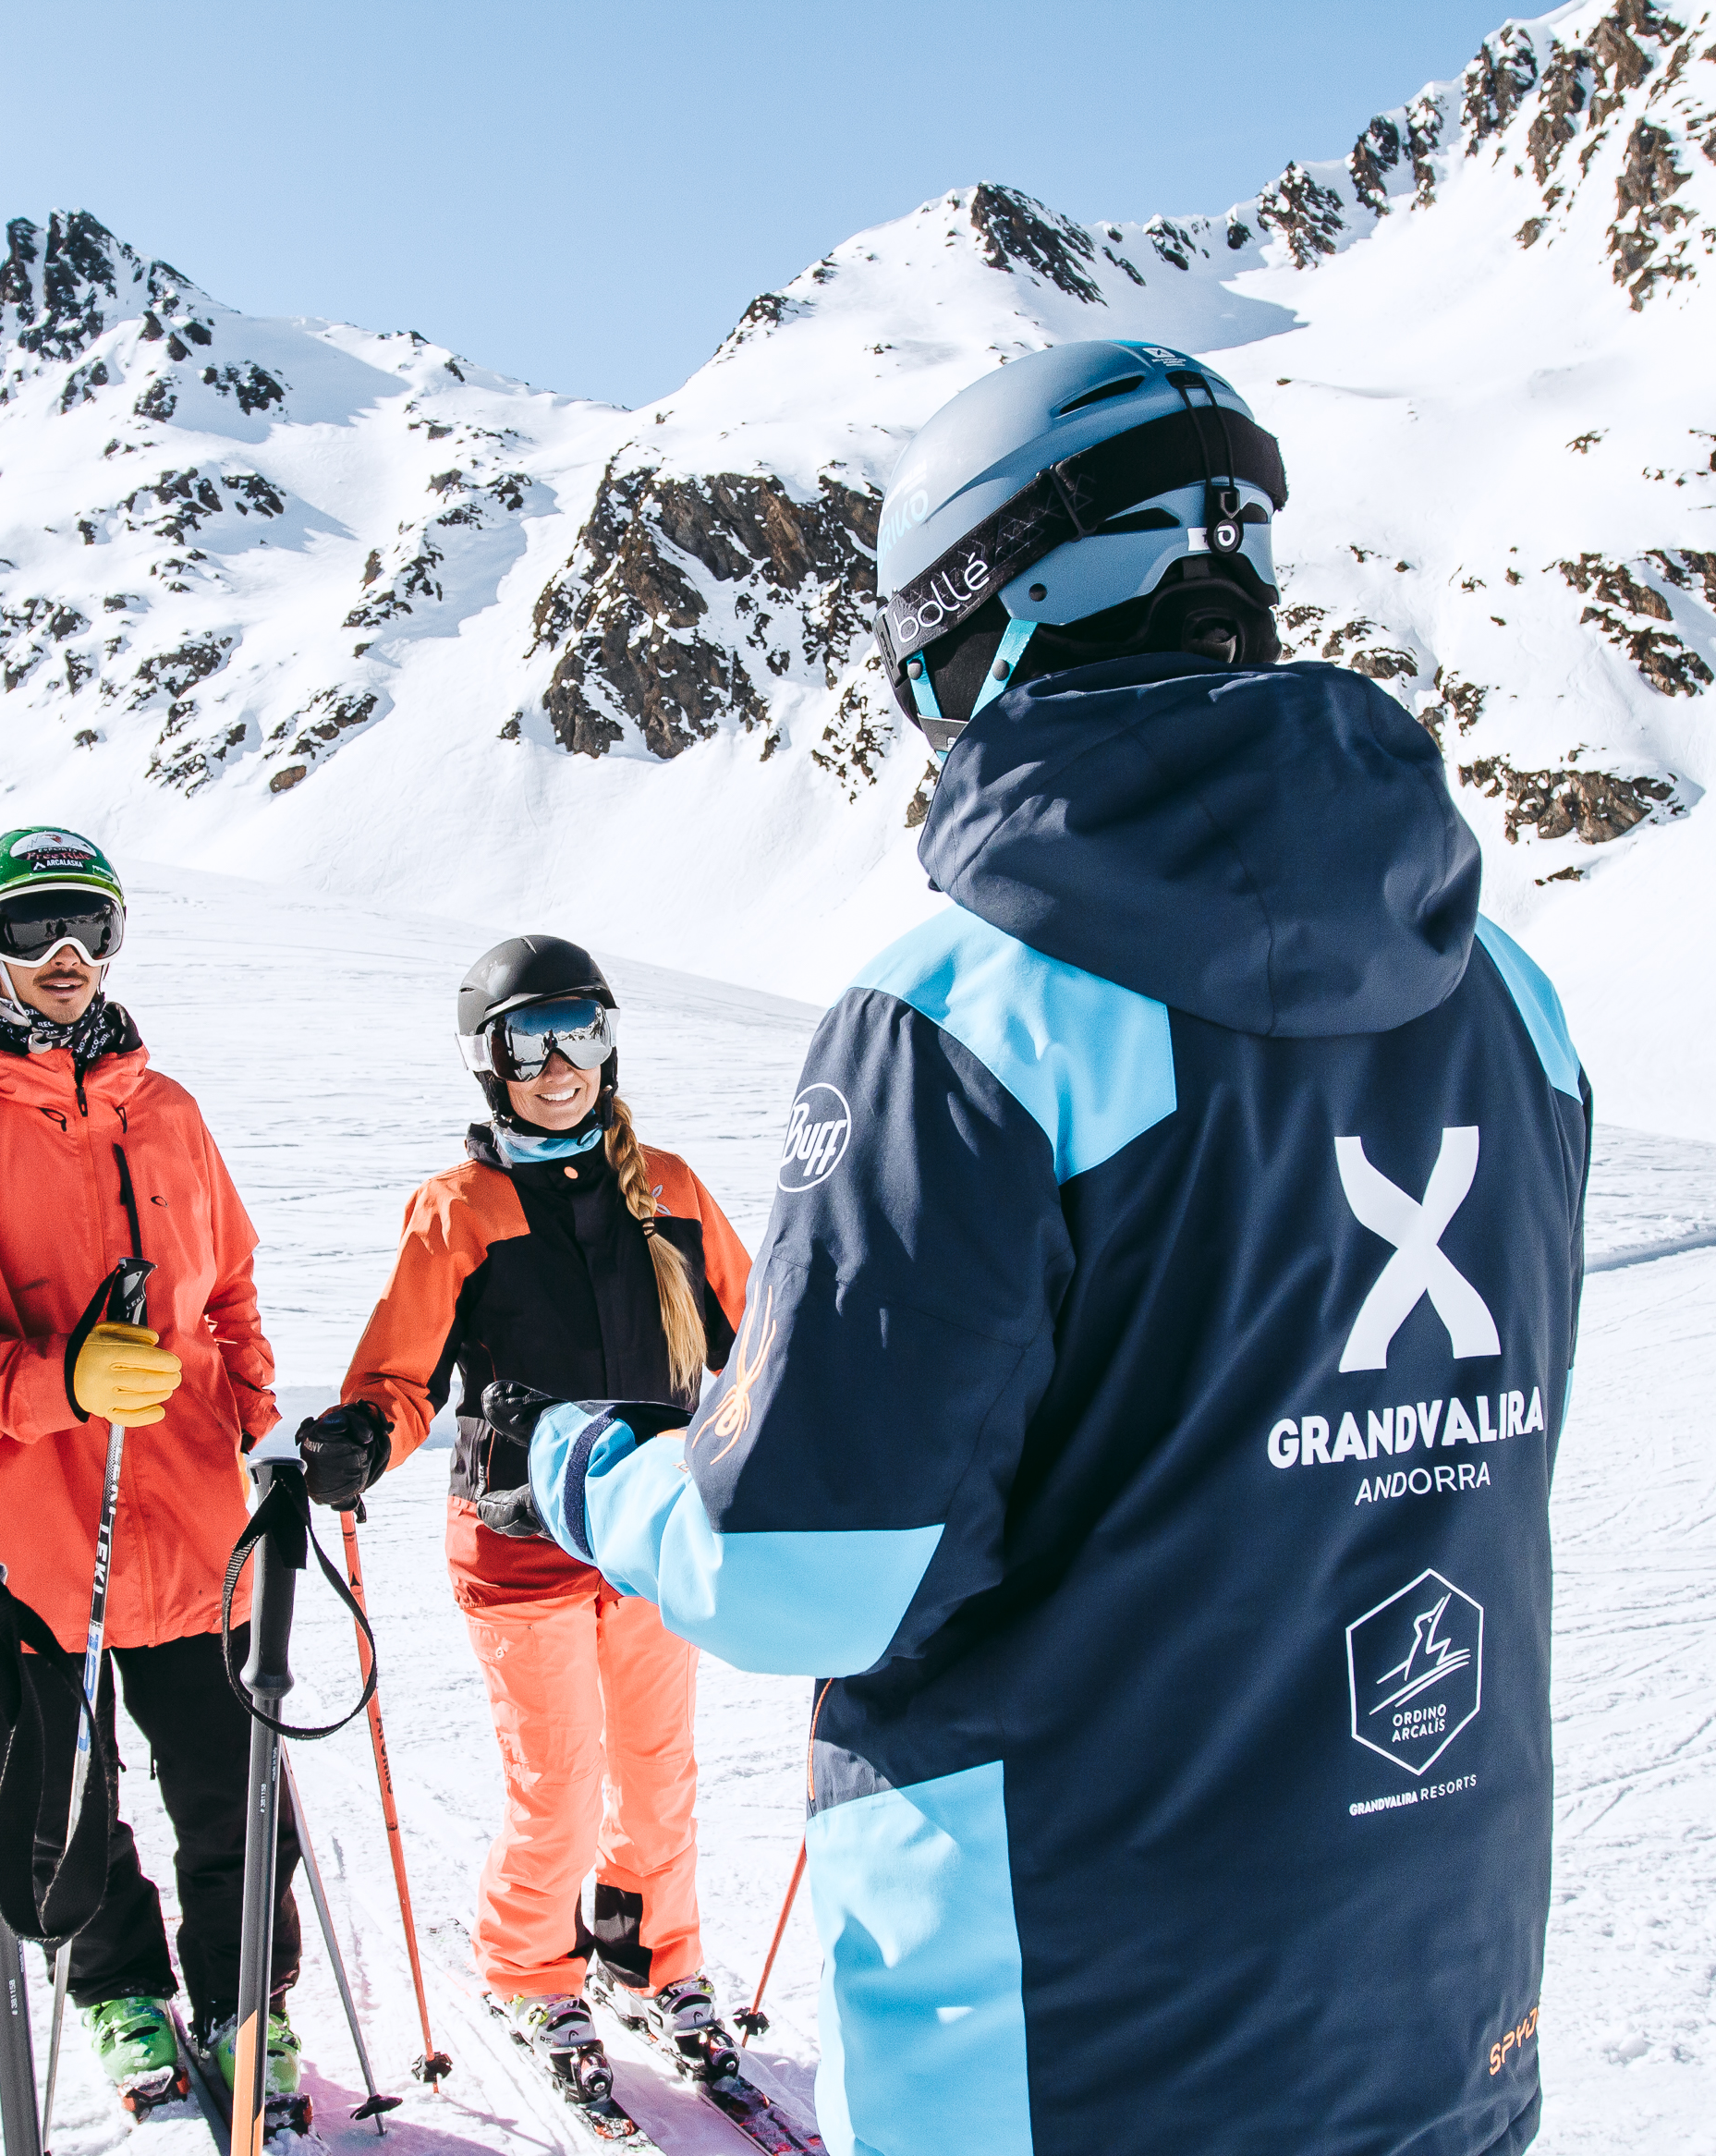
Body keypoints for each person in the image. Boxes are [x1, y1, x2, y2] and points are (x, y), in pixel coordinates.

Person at [475, 341, 1593, 2156]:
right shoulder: (1510, 1000)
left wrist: (585, 1462)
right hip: (1435, 2005)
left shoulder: (973, 1014)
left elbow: (809, 1568)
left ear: (993, 623)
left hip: (1071, 2038)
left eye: (928, 657)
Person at [0, 825, 302, 2122]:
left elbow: (231, 1292)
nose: (65, 953)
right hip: (29, 1541)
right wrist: (58, 1384)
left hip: (199, 1525)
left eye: (91, 924)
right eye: (36, 923)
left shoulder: (168, 1110)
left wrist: (257, 1430)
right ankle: (115, 1986)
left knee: (234, 1791)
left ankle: (245, 2002)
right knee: (60, 1807)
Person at [297, 936, 750, 2093]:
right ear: (485, 1061)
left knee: (655, 1763)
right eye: (526, 1041)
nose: (559, 1065)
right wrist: (362, 1437)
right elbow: (400, 1379)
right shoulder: (458, 1208)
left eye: (580, 1032)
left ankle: (649, 1959)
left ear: (608, 1041)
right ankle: (527, 1971)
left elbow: (755, 1345)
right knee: (557, 1769)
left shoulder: (676, 1192)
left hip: (653, 1529)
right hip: (518, 1534)